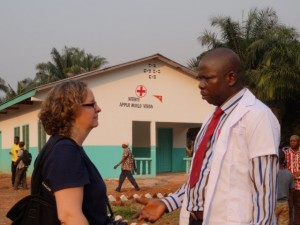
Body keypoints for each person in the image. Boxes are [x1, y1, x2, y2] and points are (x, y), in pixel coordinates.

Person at [134, 48, 280, 225]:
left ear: (231, 78)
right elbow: (201, 177)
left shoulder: (257, 116)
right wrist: (168, 202)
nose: (200, 85)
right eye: (199, 78)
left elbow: (264, 191)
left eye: (208, 78)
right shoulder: (213, 118)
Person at [36, 80, 109, 225]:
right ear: (71, 110)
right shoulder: (64, 151)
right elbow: (69, 217)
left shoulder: (64, 147)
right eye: (91, 104)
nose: (98, 109)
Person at [284, 134, 300, 225]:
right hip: (288, 186)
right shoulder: (286, 153)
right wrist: (290, 176)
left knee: (298, 208)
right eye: (291, 141)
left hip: (299, 186)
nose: (292, 142)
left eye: (294, 141)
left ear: (299, 142)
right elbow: (282, 166)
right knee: (288, 208)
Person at [276, 148, 294, 225]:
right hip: (284, 204)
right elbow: (292, 190)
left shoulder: (270, 173)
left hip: (273, 204)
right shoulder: (289, 174)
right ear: (284, 159)